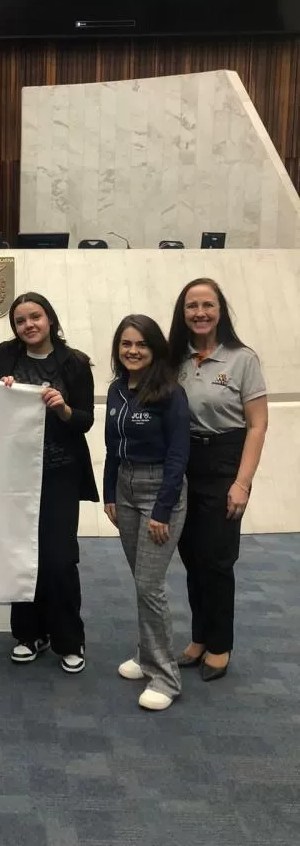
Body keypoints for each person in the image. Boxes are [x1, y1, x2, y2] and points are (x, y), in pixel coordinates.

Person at [0, 293, 98, 672]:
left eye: (35, 317)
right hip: (16, 472)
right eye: (20, 320)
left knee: (59, 559)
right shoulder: (2, 357)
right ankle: (28, 634)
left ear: (49, 319)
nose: (29, 325)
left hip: (60, 474)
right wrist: (0, 392)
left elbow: (85, 420)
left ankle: (70, 639)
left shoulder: (75, 363)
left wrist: (64, 408)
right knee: (22, 554)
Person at [169, 278, 268, 682]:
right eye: (192, 306)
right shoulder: (176, 358)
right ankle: (199, 637)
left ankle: (221, 644)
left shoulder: (242, 358)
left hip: (225, 460)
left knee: (218, 560)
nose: (200, 313)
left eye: (207, 305)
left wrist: (242, 483)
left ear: (220, 310)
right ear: (183, 313)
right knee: (192, 556)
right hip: (184, 460)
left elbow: (258, 426)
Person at [103, 315, 190, 711]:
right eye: (126, 344)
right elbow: (111, 448)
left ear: (154, 349)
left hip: (160, 492)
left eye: (141, 344)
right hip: (124, 487)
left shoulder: (170, 392)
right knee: (140, 580)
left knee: (149, 586)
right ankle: (145, 654)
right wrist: (108, 495)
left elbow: (178, 454)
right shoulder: (117, 390)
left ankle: (165, 677)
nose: (133, 351)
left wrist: (162, 508)